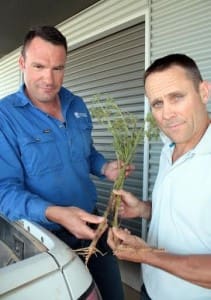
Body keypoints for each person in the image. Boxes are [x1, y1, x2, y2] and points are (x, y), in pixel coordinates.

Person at [0, 25, 133, 300]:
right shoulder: (5, 116)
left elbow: (87, 154)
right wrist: (58, 213)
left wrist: (104, 167)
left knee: (113, 295)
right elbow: (4, 192)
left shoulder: (77, 104)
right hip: (47, 240)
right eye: (39, 66)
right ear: (22, 63)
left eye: (57, 68)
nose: (49, 78)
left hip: (94, 225)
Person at [107, 53, 211, 300]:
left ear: (204, 92)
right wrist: (143, 209)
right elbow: (188, 219)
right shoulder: (169, 148)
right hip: (151, 289)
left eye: (177, 97)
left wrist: (147, 255)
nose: (166, 114)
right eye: (157, 103)